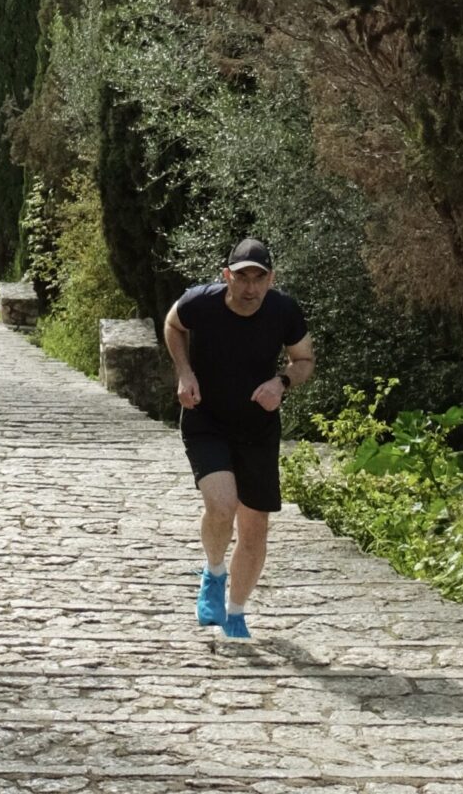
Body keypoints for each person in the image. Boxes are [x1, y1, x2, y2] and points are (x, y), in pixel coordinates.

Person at [163, 237, 315, 641]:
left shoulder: (284, 312)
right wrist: (184, 372)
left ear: (271, 279)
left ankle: (235, 613)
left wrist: (281, 382)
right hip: (206, 418)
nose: (250, 288)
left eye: (259, 279)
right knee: (222, 504)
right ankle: (214, 572)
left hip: (257, 428)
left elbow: (303, 360)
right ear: (227, 276)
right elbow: (172, 324)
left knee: (255, 527)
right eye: (242, 277)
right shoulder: (201, 302)